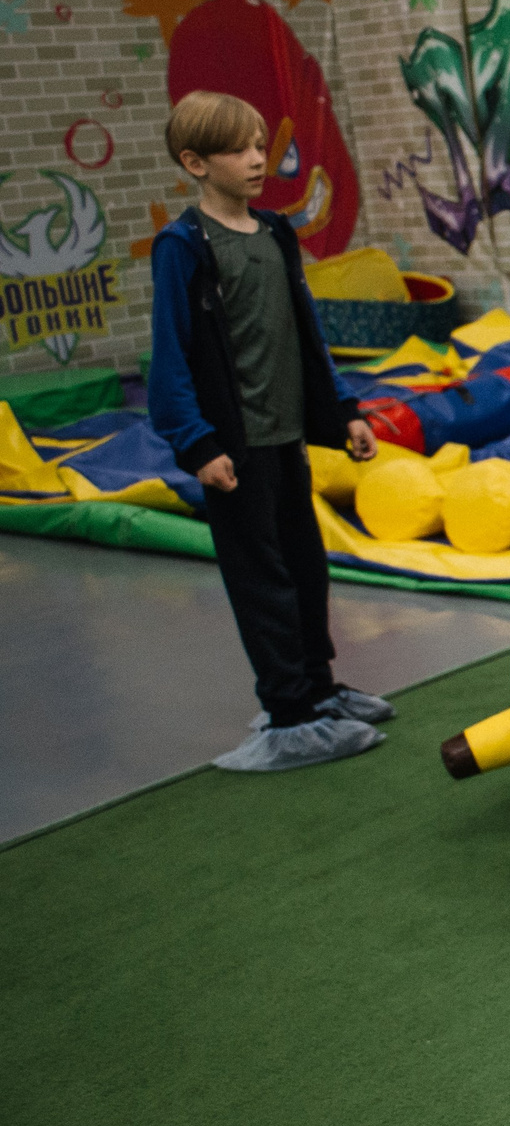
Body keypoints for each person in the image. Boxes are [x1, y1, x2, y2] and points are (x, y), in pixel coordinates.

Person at [147, 89, 397, 772]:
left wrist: (342, 409)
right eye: (239, 149)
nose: (258, 160)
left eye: (261, 145)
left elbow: (306, 335)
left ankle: (318, 688)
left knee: (306, 566)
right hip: (235, 447)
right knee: (262, 579)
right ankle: (287, 713)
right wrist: (197, 442)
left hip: (285, 435)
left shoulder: (276, 233)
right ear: (195, 163)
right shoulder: (183, 246)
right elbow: (169, 354)